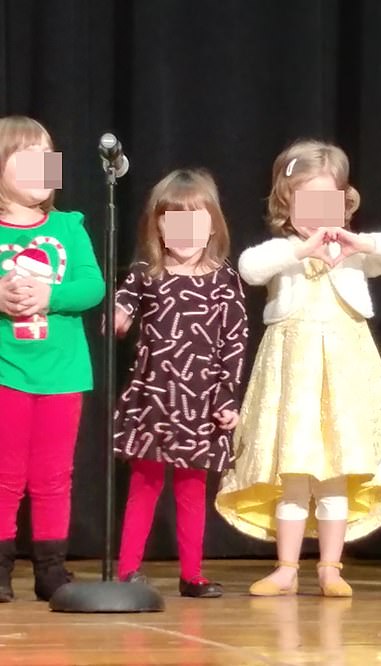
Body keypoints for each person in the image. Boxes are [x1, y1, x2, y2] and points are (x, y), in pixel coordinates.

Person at [216, 139, 381, 597]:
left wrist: (359, 242)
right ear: (286, 201)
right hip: (292, 377)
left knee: (335, 472)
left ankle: (331, 567)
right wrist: (300, 249)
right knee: (293, 473)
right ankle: (287, 567)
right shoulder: (284, 251)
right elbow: (250, 267)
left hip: (344, 373)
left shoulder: (355, 252)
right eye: (305, 199)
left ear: (344, 202)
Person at [114, 169, 248, 598]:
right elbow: (123, 307)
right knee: (144, 486)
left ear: (213, 226)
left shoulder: (225, 280)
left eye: (196, 221)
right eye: (176, 222)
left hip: (201, 404)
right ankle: (127, 571)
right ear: (158, 226)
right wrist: (116, 319)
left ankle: (192, 574)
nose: (187, 233)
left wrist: (228, 397)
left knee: (192, 491)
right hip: (153, 400)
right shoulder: (145, 273)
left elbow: (235, 342)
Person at [0, 115, 105, 602]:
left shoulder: (69, 225)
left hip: (63, 372)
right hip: (8, 369)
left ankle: (50, 570)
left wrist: (49, 295)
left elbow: (91, 286)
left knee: (53, 475)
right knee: (5, 474)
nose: (44, 168)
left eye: (49, 158)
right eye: (29, 159)